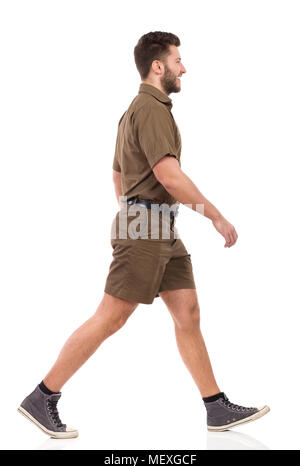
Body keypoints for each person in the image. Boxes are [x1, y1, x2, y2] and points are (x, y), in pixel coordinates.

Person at [18, 31, 269, 439]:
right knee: (111, 317)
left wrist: (134, 215)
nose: (183, 67)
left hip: (156, 228)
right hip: (147, 230)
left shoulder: (136, 111)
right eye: (177, 60)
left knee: (187, 313)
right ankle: (42, 396)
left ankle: (215, 407)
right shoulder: (150, 109)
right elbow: (168, 174)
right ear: (158, 66)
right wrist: (214, 217)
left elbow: (118, 174)